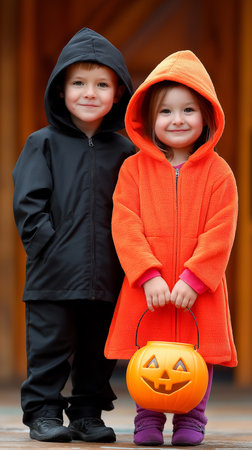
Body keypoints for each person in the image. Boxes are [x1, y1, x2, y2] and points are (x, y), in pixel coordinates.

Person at [105, 50, 238, 446]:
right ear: (148, 119)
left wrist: (195, 278)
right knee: (146, 352)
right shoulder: (133, 169)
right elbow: (125, 223)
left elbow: (221, 230)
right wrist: (146, 274)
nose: (177, 120)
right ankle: (147, 416)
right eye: (166, 111)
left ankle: (191, 418)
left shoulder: (219, 173)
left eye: (189, 110)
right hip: (151, 287)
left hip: (196, 288)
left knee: (197, 354)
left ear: (208, 116)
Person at [12, 27, 134, 443]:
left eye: (102, 84)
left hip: (109, 274)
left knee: (98, 350)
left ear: (117, 92)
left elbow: (136, 208)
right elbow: (29, 203)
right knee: (50, 348)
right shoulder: (41, 144)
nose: (89, 92)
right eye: (78, 83)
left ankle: (86, 413)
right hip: (53, 273)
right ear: (61, 89)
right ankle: (43, 412)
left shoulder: (128, 153)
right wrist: (46, 247)